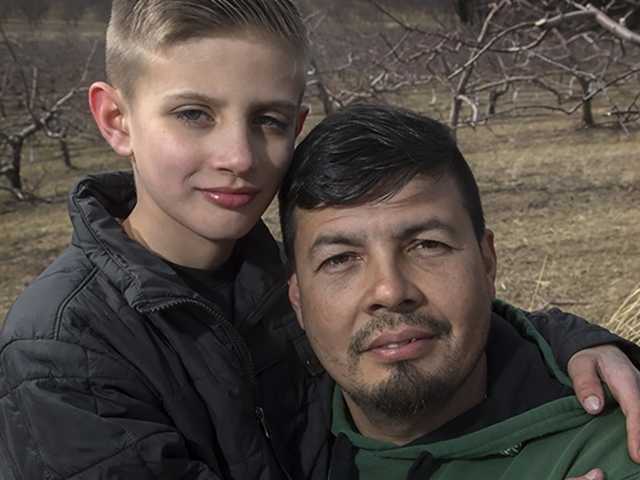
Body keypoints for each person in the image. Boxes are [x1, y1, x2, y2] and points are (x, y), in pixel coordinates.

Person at [0, 2, 637, 479]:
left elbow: (427, 313)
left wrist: (569, 340)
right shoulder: (61, 351)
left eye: (268, 120)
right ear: (116, 119)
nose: (238, 156)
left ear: (297, 125)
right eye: (194, 114)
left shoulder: (260, 266)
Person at [279, 103, 640, 480]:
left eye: (427, 245)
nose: (389, 290)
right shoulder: (263, 435)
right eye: (340, 259)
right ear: (298, 300)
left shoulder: (609, 454)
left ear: (487, 262)